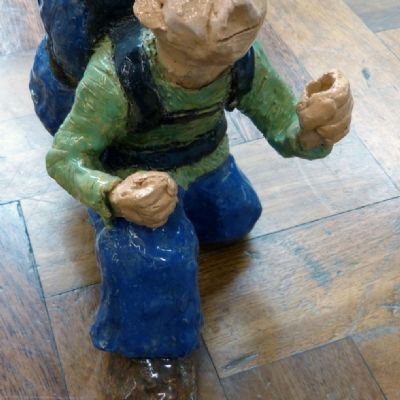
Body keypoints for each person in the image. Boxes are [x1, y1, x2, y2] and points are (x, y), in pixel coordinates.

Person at [45, 0, 353, 396]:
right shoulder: (117, 75)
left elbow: (284, 126)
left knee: (236, 216)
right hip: (139, 179)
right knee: (157, 259)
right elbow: (65, 157)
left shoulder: (241, 58)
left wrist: (314, 129)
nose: (237, 5)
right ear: (153, 11)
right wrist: (113, 194)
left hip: (206, 160)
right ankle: (154, 357)